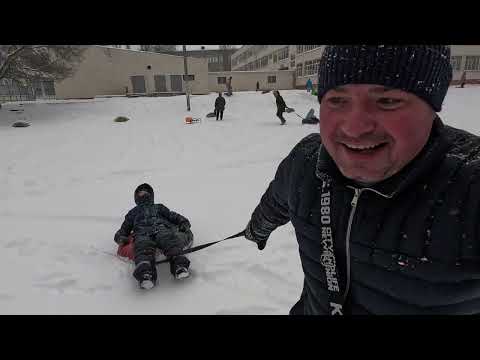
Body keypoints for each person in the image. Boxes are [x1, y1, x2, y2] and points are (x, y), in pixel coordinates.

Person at [243, 45, 480, 315]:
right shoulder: (305, 161)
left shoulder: (471, 186)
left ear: (432, 105)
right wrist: (256, 231)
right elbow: (275, 203)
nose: (354, 128)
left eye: (387, 101)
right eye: (337, 100)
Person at [114, 183, 193, 289]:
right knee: (142, 246)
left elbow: (173, 216)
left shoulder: (159, 207)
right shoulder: (133, 213)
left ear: (151, 196)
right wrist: (120, 238)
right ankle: (146, 274)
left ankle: (179, 265)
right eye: (140, 193)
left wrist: (183, 223)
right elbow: (123, 230)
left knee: (168, 239)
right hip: (142, 233)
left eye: (146, 192)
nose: (143, 195)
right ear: (136, 197)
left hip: (160, 228)